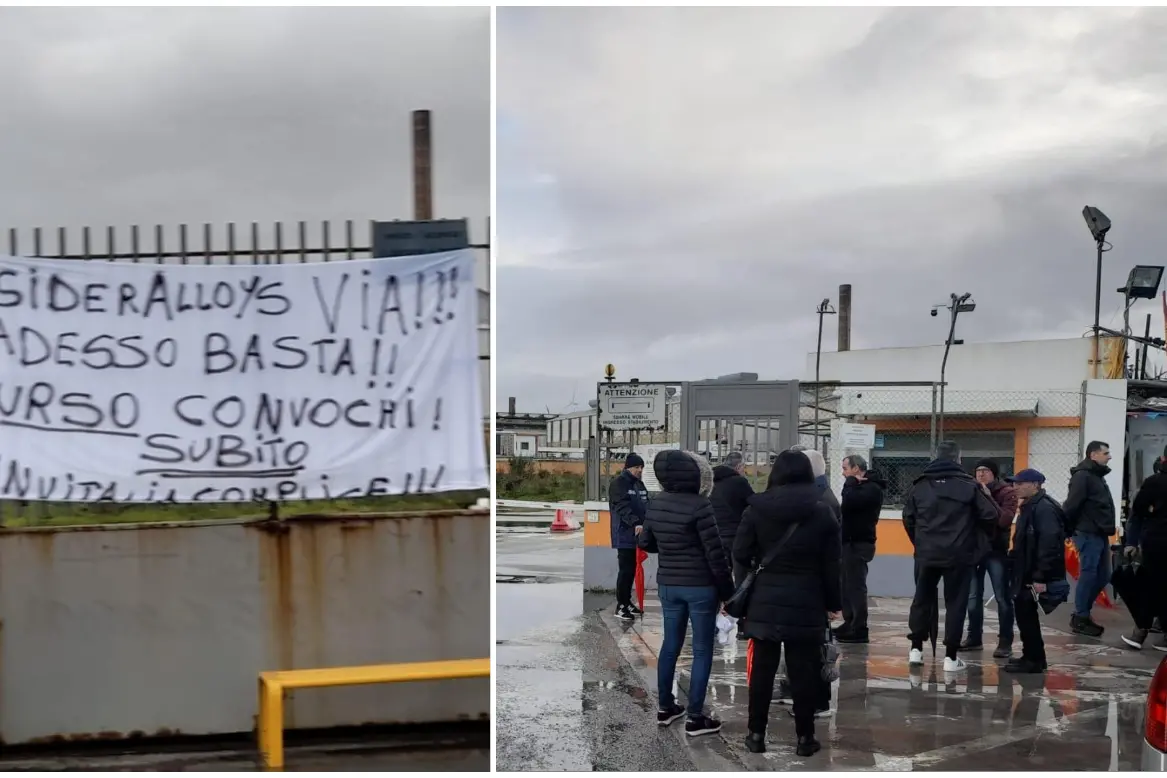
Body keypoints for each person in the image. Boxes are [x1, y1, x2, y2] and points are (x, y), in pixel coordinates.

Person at [733, 450, 842, 757]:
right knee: (803, 672)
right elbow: (832, 564)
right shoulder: (822, 512)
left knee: (762, 672)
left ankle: (755, 735)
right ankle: (805, 739)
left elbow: (740, 552)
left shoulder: (755, 509)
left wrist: (750, 577)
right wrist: (834, 603)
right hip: (807, 601)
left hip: (764, 600)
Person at [637, 449, 735, 738]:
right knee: (703, 649)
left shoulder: (657, 503)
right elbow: (715, 555)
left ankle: (666, 708)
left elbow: (646, 542)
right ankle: (695, 717)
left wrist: (669, 547)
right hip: (701, 587)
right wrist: (728, 593)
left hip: (669, 585)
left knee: (670, 645)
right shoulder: (700, 506)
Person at [902, 440, 998, 672]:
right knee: (956, 603)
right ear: (958, 459)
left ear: (935, 457)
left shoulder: (920, 486)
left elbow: (908, 519)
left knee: (922, 598)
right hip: (959, 554)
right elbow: (990, 516)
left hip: (926, 554)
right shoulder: (969, 486)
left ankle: (916, 649)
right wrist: (975, 546)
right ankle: (951, 657)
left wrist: (921, 543)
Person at [1004, 469, 1068, 673]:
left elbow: (1050, 544)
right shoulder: (1030, 506)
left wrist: (1040, 575)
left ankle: (1033, 661)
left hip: (1033, 573)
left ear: (1035, 484)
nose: (1015, 487)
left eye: (1020, 483)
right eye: (1014, 483)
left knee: (1027, 616)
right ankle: (1032, 656)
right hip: (1025, 569)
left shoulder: (1044, 508)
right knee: (1025, 615)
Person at [962, 458, 1019, 658]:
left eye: (985, 471)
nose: (981, 474)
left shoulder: (1007, 492)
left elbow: (1004, 520)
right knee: (972, 597)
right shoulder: (970, 489)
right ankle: (973, 637)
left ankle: (1005, 642)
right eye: (978, 471)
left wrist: (988, 498)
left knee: (1002, 597)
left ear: (994, 473)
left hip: (996, 550)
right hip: (974, 550)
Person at [1063, 440, 1117, 637]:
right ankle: (1081, 616)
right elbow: (1071, 506)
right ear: (1092, 455)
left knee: (1104, 576)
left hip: (1100, 533)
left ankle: (1082, 613)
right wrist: (1067, 530)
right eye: (1106, 453)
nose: (1109, 456)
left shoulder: (1096, 476)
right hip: (1087, 533)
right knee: (1089, 574)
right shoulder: (1083, 476)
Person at [837, 454, 886, 644]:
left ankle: (859, 627)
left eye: (845, 469)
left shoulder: (872, 488)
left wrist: (850, 483)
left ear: (856, 468)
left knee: (856, 586)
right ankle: (849, 622)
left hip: (859, 542)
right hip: (849, 541)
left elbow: (849, 504)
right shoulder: (859, 487)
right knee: (846, 584)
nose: (844, 474)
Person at [1121, 456, 1167, 651]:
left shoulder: (1154, 482)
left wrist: (1131, 542)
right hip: (1156, 542)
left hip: (1156, 543)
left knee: (1150, 587)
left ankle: (1140, 631)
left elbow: (1137, 513)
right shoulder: (1155, 482)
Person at [710, 450, 755, 639]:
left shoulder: (711, 482)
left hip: (715, 538)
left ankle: (710, 622)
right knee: (742, 581)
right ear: (738, 467)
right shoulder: (740, 482)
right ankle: (743, 625)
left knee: (716, 580)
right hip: (737, 539)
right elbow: (753, 505)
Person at [608, 452, 648, 621]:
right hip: (624, 534)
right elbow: (622, 506)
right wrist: (635, 523)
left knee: (632, 570)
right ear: (628, 468)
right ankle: (621, 605)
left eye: (641, 467)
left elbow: (647, 504)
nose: (639, 470)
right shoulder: (619, 484)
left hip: (638, 534)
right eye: (636, 467)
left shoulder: (639, 484)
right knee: (625, 570)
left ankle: (627, 601)